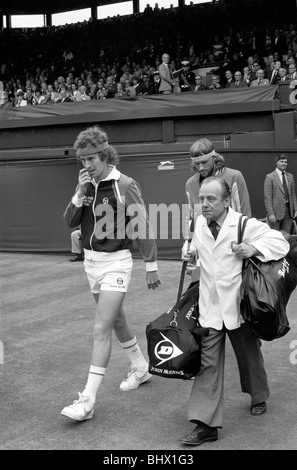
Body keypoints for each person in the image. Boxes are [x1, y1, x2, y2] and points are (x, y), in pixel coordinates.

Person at [180, 176, 290, 446]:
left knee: (249, 355)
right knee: (208, 364)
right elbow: (194, 248)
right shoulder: (197, 223)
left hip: (241, 307)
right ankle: (205, 425)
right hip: (210, 307)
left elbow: (282, 243)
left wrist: (253, 248)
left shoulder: (244, 224)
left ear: (227, 201)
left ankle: (258, 394)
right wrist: (190, 253)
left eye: (211, 199)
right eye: (202, 199)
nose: (204, 204)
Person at [61, 125, 161, 421]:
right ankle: (141, 367)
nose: (86, 165)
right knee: (116, 320)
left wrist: (151, 266)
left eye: (91, 159)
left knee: (100, 327)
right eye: (82, 160)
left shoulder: (125, 184)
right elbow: (70, 221)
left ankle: (87, 401)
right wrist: (79, 193)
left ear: (104, 155)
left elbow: (142, 224)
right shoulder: (86, 184)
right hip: (90, 263)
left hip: (116, 261)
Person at [184, 139, 252, 278]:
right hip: (204, 249)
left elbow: (244, 212)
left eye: (204, 162)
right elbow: (191, 218)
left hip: (232, 248)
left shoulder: (234, 177)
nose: (201, 167)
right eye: (197, 164)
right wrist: (188, 245)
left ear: (215, 159)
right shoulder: (190, 184)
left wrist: (247, 244)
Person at [264, 154, 297, 234]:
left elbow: (293, 194)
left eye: (285, 162)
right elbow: (267, 197)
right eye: (281, 161)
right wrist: (271, 213)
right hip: (275, 213)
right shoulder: (270, 177)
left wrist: (295, 209)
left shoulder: (290, 176)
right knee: (275, 236)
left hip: (289, 212)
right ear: (276, 162)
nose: (284, 164)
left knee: (286, 236)